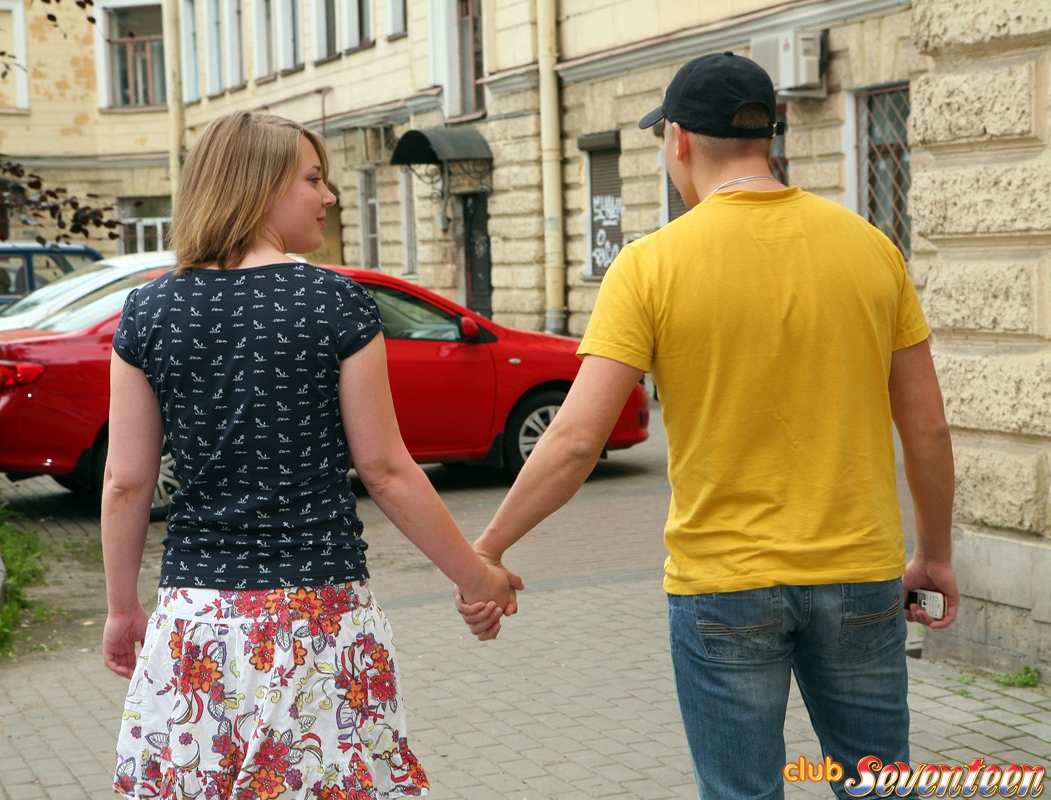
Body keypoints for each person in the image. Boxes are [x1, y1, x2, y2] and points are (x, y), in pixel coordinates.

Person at [457, 51, 958, 799]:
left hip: (724, 584)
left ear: (680, 139)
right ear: (770, 134)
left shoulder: (650, 265)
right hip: (859, 572)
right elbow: (928, 430)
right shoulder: (872, 249)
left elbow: (575, 440)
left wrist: (488, 550)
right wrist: (935, 554)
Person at [101, 110, 521, 800]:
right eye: (313, 179)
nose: (329, 196)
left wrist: (122, 608)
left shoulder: (148, 312)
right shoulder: (335, 303)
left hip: (196, 623)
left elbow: (126, 482)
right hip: (318, 620)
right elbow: (385, 469)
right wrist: (477, 579)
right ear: (260, 186)